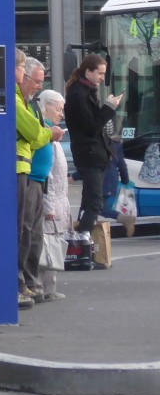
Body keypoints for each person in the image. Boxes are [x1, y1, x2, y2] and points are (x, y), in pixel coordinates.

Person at [16, 54, 59, 307]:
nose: (38, 85)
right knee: (24, 231)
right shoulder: (17, 100)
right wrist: (47, 134)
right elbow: (33, 133)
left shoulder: (27, 103)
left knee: (31, 233)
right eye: (36, 80)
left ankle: (28, 282)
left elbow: (35, 134)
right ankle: (22, 283)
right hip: (24, 172)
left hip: (32, 174)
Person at [65, 54, 121, 238]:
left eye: (104, 74)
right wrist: (108, 107)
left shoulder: (85, 92)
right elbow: (91, 127)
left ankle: (81, 241)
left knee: (89, 201)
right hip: (90, 155)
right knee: (95, 203)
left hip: (94, 155)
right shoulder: (78, 94)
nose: (102, 78)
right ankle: (83, 240)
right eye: (100, 73)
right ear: (88, 71)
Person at [38, 89, 70, 302]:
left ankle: (48, 287)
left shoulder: (54, 136)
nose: (61, 114)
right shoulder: (47, 137)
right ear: (46, 107)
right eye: (58, 109)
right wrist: (48, 206)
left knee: (53, 245)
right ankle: (41, 287)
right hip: (51, 202)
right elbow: (46, 175)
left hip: (58, 201)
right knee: (45, 245)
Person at [99, 136, 136, 236]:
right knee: (94, 207)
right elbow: (122, 165)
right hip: (110, 181)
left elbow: (93, 165)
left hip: (103, 181)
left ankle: (126, 219)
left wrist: (75, 176)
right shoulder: (115, 144)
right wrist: (125, 180)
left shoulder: (98, 143)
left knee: (98, 208)